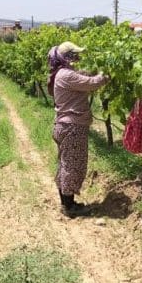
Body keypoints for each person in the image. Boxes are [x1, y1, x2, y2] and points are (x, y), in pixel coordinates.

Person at [48, 41, 109, 218]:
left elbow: (84, 75)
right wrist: (107, 74)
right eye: (75, 54)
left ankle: (66, 203)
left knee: (66, 165)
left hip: (64, 126)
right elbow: (91, 82)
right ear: (67, 57)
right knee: (72, 166)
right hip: (72, 128)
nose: (78, 57)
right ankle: (70, 207)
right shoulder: (66, 75)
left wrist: (95, 68)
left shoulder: (63, 73)